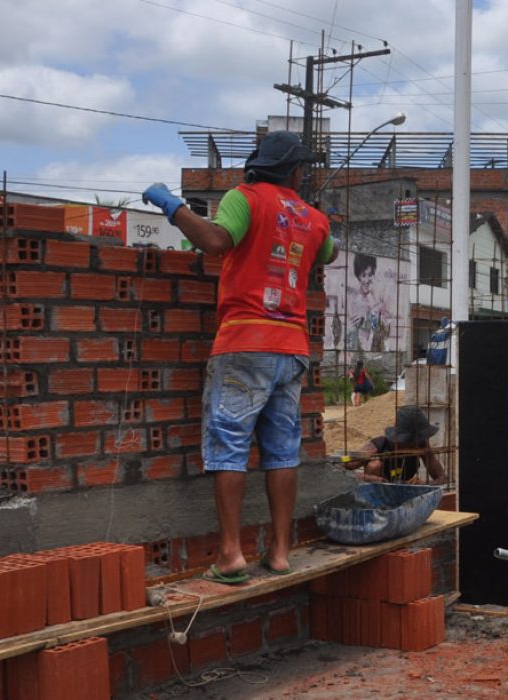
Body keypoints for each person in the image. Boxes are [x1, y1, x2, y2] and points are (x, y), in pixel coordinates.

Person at [141, 131, 338, 584]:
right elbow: (330, 250)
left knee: (230, 446)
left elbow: (214, 241)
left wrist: (173, 206)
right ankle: (281, 551)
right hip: (292, 349)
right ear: (294, 172)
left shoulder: (244, 198)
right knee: (282, 451)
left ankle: (231, 555)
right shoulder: (314, 218)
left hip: (245, 344)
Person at [356, 406, 446, 484]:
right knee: (374, 465)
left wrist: (424, 484)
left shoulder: (420, 445)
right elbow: (342, 468)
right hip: (376, 493)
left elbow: (442, 478)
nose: (415, 445)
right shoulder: (378, 445)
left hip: (403, 495)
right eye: (412, 441)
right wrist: (371, 479)